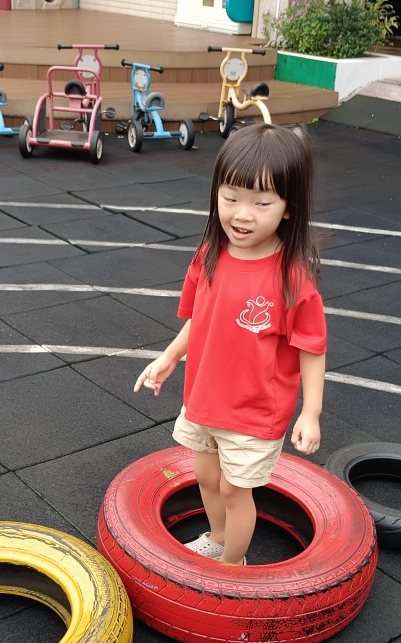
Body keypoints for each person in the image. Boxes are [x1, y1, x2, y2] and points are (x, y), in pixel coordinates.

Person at [133, 123, 327, 567]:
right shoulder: (209, 254)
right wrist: (169, 356)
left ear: (289, 208)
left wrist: (311, 412)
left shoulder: (292, 278)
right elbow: (199, 319)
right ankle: (218, 538)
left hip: (254, 413)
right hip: (204, 399)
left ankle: (232, 564)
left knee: (235, 490)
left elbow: (311, 349)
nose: (242, 214)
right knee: (205, 475)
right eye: (230, 197)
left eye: (261, 203)